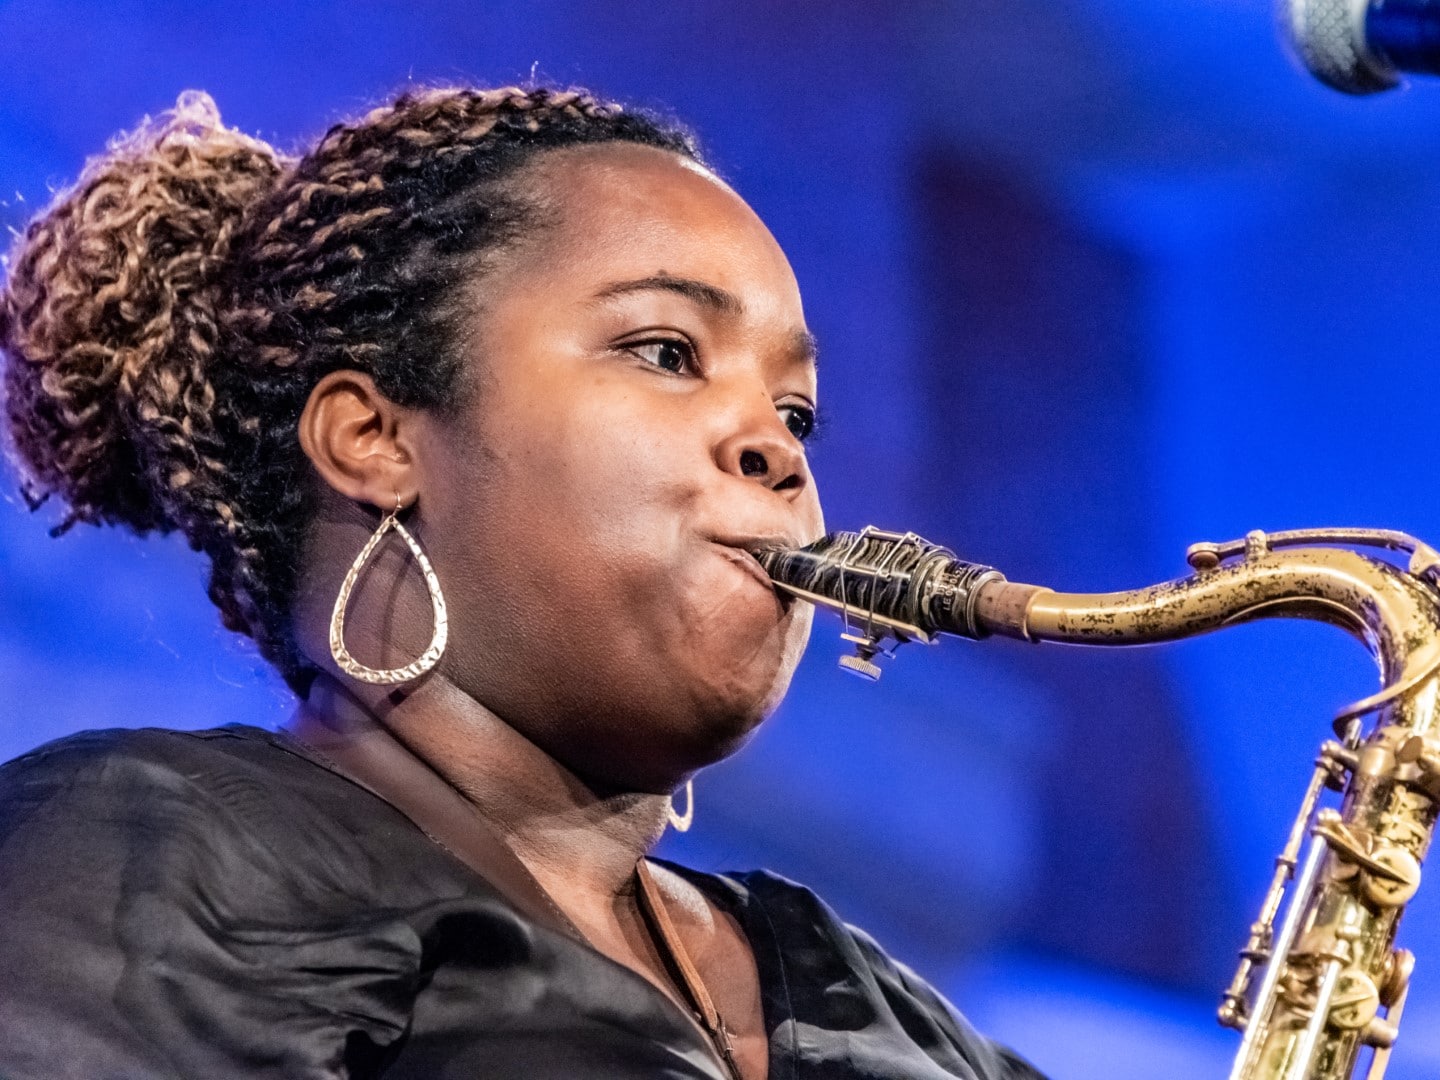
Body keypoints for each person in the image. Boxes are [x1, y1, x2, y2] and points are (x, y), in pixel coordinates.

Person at [0, 85, 1043, 1080]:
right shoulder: (154, 852)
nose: (779, 449)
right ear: (373, 438)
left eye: (798, 412)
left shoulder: (871, 1002)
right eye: (667, 351)